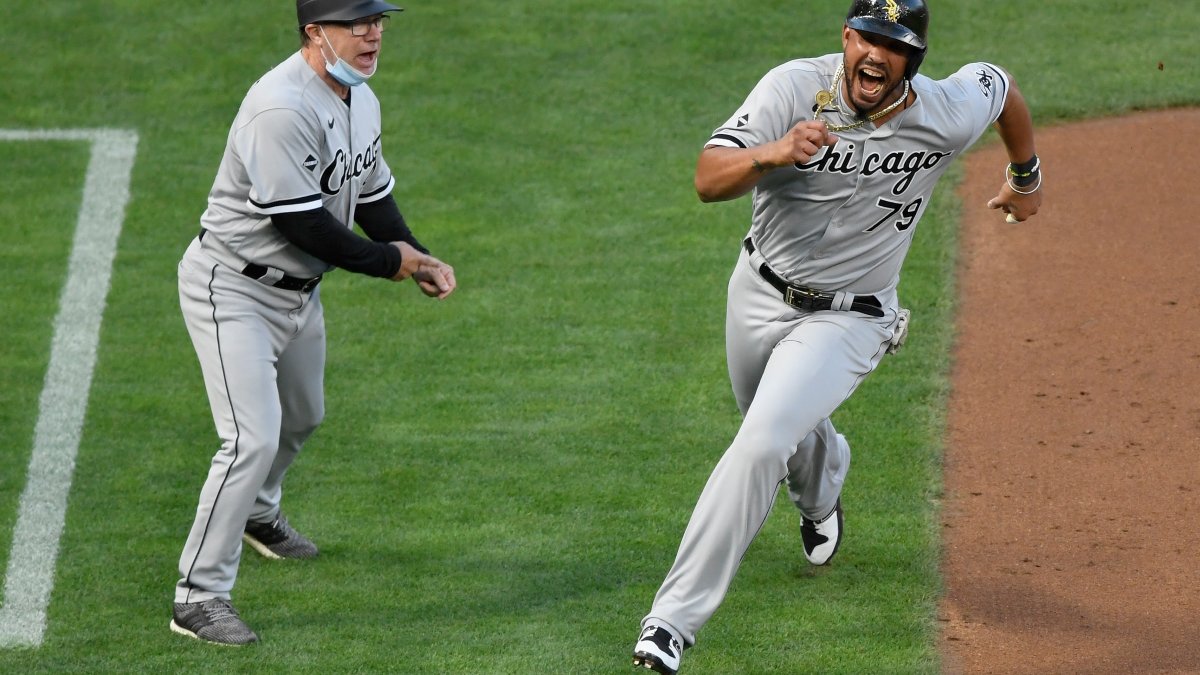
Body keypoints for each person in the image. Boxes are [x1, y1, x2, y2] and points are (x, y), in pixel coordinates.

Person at [631, 0, 1041, 672]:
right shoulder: (794, 88)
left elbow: (1001, 85)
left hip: (851, 319)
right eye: (867, 38)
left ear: (913, 60)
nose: (876, 54)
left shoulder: (943, 111)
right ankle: (824, 484)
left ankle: (670, 622)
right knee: (778, 428)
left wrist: (1027, 176)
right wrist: (774, 151)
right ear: (847, 38)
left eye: (895, 45)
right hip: (758, 295)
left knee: (761, 440)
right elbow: (708, 178)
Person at [170, 0, 455, 646]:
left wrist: (417, 253)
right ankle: (198, 593)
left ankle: (258, 514)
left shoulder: (361, 99)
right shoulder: (280, 108)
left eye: (378, 19)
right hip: (233, 287)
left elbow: (373, 193)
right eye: (355, 22)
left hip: (299, 293)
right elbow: (302, 223)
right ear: (314, 33)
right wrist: (390, 264)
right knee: (251, 437)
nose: (372, 32)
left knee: (303, 415)